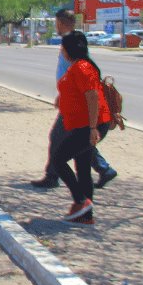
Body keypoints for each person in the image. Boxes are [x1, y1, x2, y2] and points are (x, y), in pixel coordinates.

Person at [31, 9, 118, 190]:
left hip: (75, 101)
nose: (56, 26)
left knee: (58, 138)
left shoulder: (71, 43)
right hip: (71, 98)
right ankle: (104, 169)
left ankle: (52, 176)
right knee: (78, 140)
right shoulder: (74, 40)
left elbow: (77, 72)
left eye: (56, 23)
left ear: (62, 23)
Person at [50, 31, 114, 225]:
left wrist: (93, 128)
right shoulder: (78, 67)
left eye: (62, 47)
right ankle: (86, 216)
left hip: (88, 126)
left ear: (69, 49)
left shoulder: (82, 67)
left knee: (58, 159)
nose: (61, 51)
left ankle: (80, 201)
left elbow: (92, 96)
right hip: (81, 124)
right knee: (83, 168)